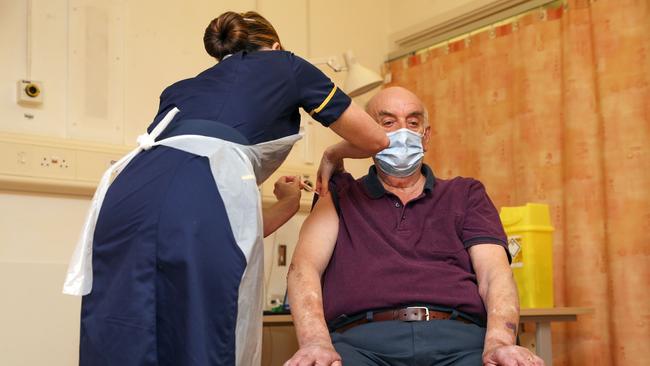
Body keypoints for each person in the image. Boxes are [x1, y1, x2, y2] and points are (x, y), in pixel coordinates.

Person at [62, 11, 389, 366]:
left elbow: (216, 227)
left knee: (126, 329)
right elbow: (375, 138)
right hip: (196, 196)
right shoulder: (287, 65)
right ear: (276, 46)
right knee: (205, 335)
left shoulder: (180, 90)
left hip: (124, 196)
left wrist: (287, 204)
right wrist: (331, 153)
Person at [285, 87, 544, 366]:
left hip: (459, 341)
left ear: (426, 136)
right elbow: (304, 267)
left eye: (413, 122)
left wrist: (499, 343)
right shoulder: (339, 194)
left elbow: (494, 273)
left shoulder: (466, 194)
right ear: (365, 135)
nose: (403, 133)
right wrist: (316, 343)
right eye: (387, 123)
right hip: (362, 345)